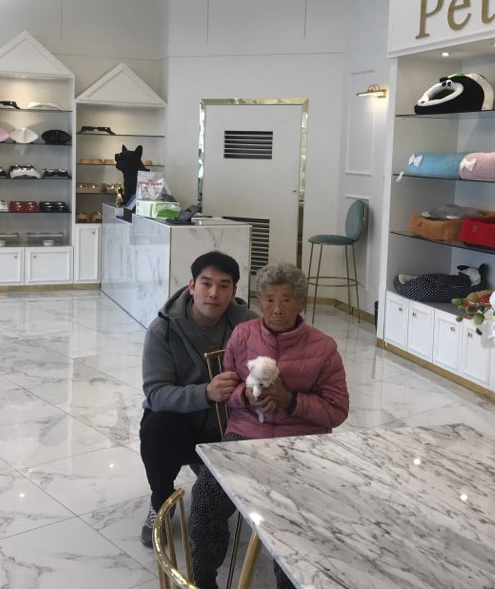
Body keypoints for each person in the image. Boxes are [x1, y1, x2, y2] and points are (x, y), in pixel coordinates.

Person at [187, 261, 349, 589]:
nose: (277, 309)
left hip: (299, 445)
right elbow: (228, 390)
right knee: (204, 497)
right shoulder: (243, 334)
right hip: (244, 436)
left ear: (302, 303)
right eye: (270, 300)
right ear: (259, 302)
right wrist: (246, 397)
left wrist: (290, 400)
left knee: (292, 518)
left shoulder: (323, 347)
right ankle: (203, 580)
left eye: (287, 300)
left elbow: (337, 410)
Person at [139, 250, 257, 546]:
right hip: (184, 423)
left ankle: (219, 479)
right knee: (156, 428)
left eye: (223, 286)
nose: (214, 293)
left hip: (232, 422)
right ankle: (160, 501)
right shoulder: (163, 329)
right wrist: (205, 393)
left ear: (234, 291)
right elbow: (155, 393)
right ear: (191, 286)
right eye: (206, 283)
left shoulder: (250, 325)